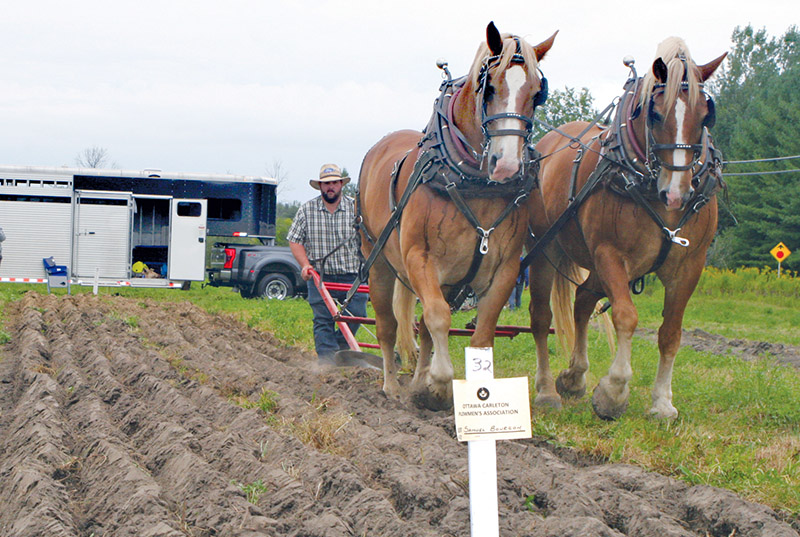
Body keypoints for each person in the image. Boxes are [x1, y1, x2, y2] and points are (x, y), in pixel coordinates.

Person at [287, 163, 368, 364]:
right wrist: (305, 265)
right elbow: (295, 239)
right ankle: (327, 364)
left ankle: (340, 352)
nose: (330, 187)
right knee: (323, 319)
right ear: (320, 187)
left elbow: (369, 236)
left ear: (341, 184)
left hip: (352, 274)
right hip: (320, 276)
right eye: (326, 184)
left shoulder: (356, 209)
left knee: (356, 315)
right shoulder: (307, 210)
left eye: (333, 183)